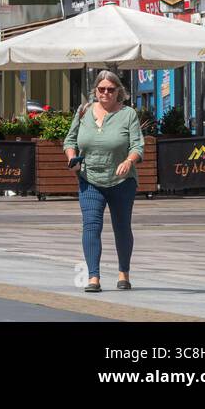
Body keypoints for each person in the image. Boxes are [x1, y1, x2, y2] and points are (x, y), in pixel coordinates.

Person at [64, 70, 144, 294]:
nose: (106, 93)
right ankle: (93, 277)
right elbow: (70, 140)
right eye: (102, 89)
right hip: (89, 180)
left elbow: (137, 145)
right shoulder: (84, 111)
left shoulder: (128, 114)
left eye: (111, 89)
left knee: (121, 227)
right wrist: (72, 158)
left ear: (119, 91)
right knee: (91, 225)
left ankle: (123, 274)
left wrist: (129, 161)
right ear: (95, 90)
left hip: (122, 182)